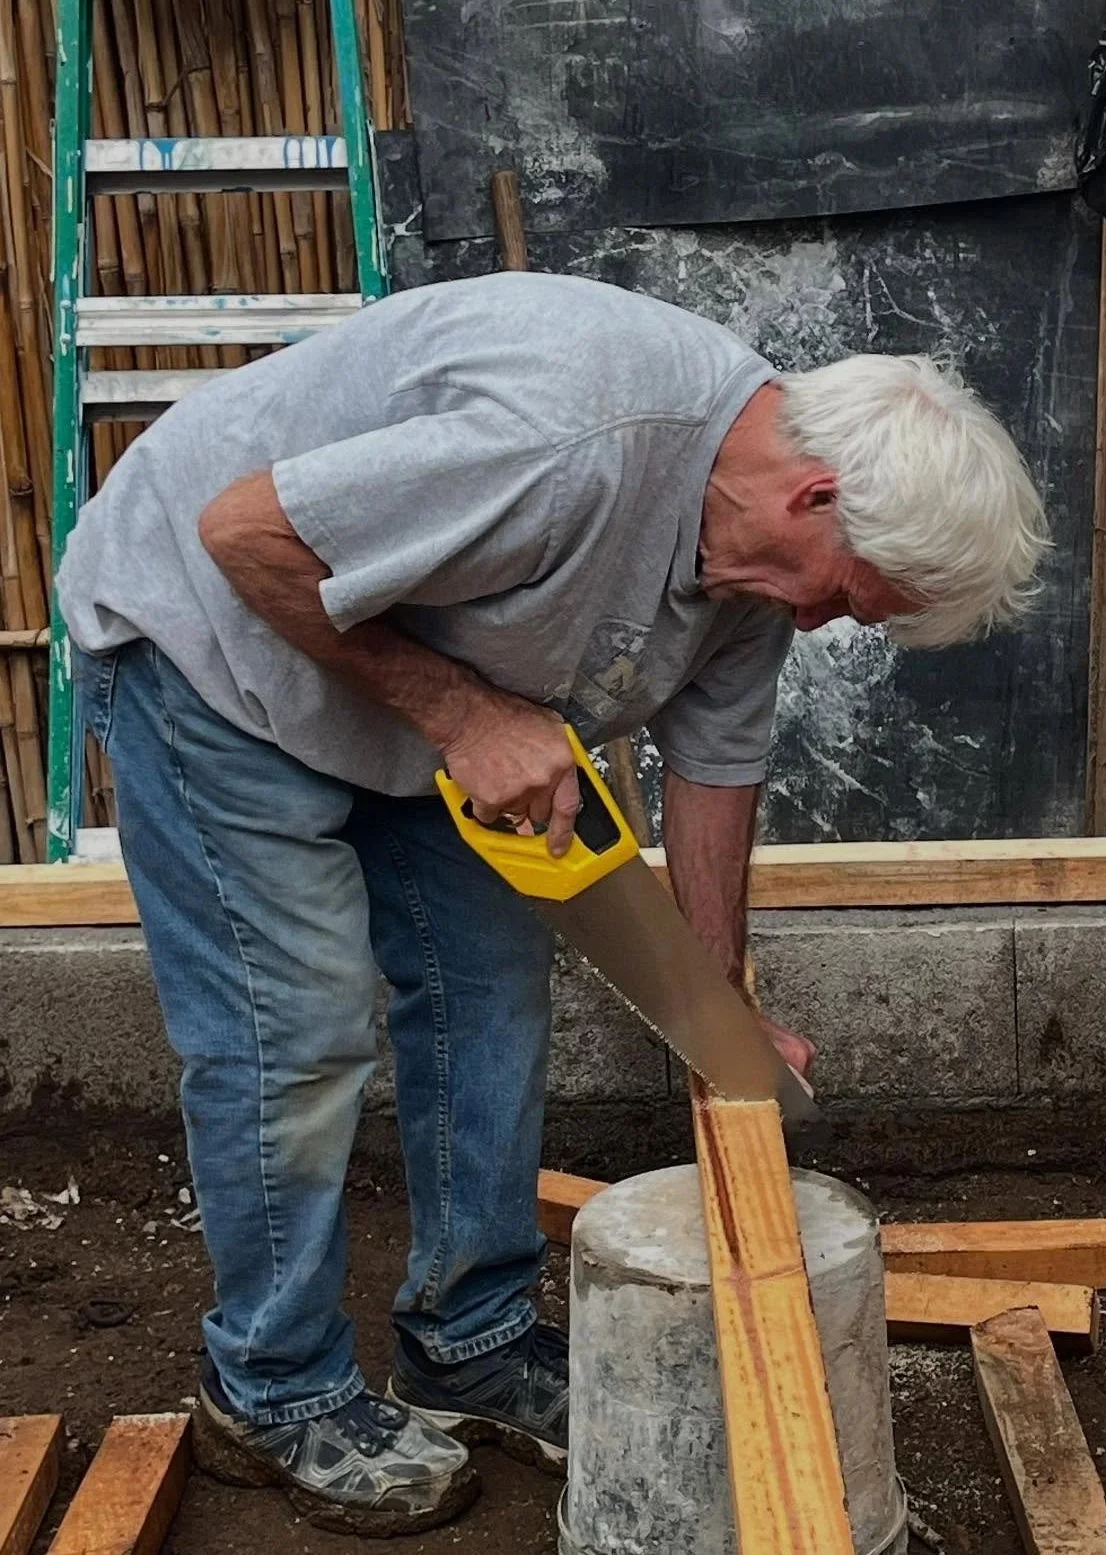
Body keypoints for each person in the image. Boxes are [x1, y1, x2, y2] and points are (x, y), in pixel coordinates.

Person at [56, 271, 1047, 1536]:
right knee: (292, 1030)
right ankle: (272, 1386)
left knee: (489, 993)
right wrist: (466, 715)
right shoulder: (569, 435)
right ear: (813, 497)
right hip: (216, 648)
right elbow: (245, 532)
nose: (828, 621)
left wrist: (716, 1003)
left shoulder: (754, 561)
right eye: (847, 595)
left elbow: (717, 761)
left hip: (421, 683)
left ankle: (467, 1336)